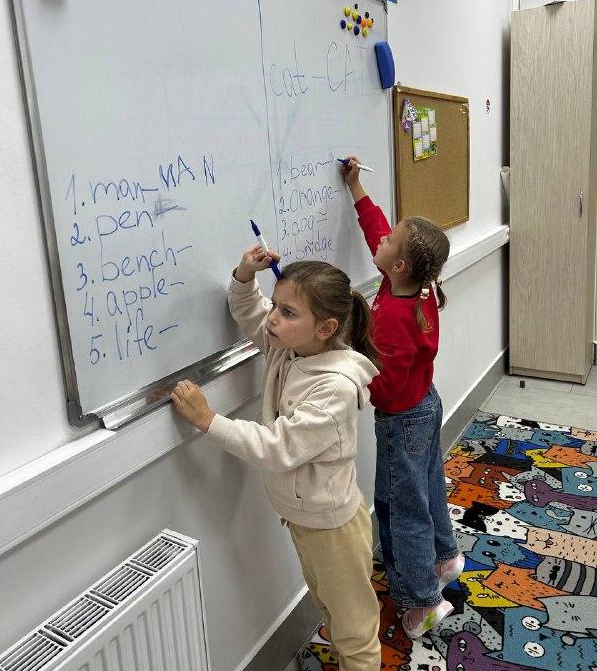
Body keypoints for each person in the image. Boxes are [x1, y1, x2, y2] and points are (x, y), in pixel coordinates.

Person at [171, 246, 382, 670]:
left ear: (325, 328)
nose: (272, 319)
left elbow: (278, 448)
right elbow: (250, 310)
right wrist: (244, 274)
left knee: (355, 629)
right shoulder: (289, 350)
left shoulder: (334, 388)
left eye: (287, 313)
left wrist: (209, 420)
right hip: (304, 518)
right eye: (276, 305)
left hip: (332, 526)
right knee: (329, 604)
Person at [341, 156, 464, 639]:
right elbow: (378, 235)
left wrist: (350, 356)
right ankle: (445, 557)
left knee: (400, 509)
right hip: (424, 406)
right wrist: (357, 189)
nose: (382, 237)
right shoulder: (418, 287)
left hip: (402, 418)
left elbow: (385, 386)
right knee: (427, 486)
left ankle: (422, 602)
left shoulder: (392, 314)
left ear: (398, 266)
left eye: (390, 238)